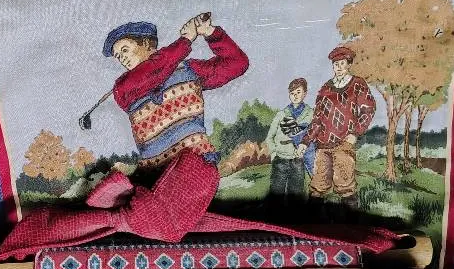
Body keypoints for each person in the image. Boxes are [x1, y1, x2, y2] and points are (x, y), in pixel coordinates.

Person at [106, 14, 249, 171]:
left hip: (197, 164)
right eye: (118, 56)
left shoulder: (188, 70)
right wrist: (185, 40)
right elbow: (154, 70)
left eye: (125, 50)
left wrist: (210, 32)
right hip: (156, 173)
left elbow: (237, 63)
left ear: (146, 43)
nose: (122, 58)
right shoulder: (122, 88)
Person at [297, 45, 375, 209]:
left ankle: (350, 220)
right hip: (322, 145)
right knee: (318, 185)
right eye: (335, 64)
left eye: (342, 63)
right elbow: (317, 119)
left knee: (345, 185)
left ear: (349, 64)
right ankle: (311, 220)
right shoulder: (325, 88)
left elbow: (368, 109)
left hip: (344, 143)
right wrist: (305, 141)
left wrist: (355, 133)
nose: (338, 67)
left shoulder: (357, 84)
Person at [265, 77, 314, 198]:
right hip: (280, 159)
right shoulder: (281, 114)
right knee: (276, 193)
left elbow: (313, 135)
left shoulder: (310, 114)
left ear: (305, 93)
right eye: (292, 93)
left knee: (296, 194)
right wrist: (274, 154)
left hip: (298, 161)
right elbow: (269, 137)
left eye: (298, 92)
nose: (295, 96)